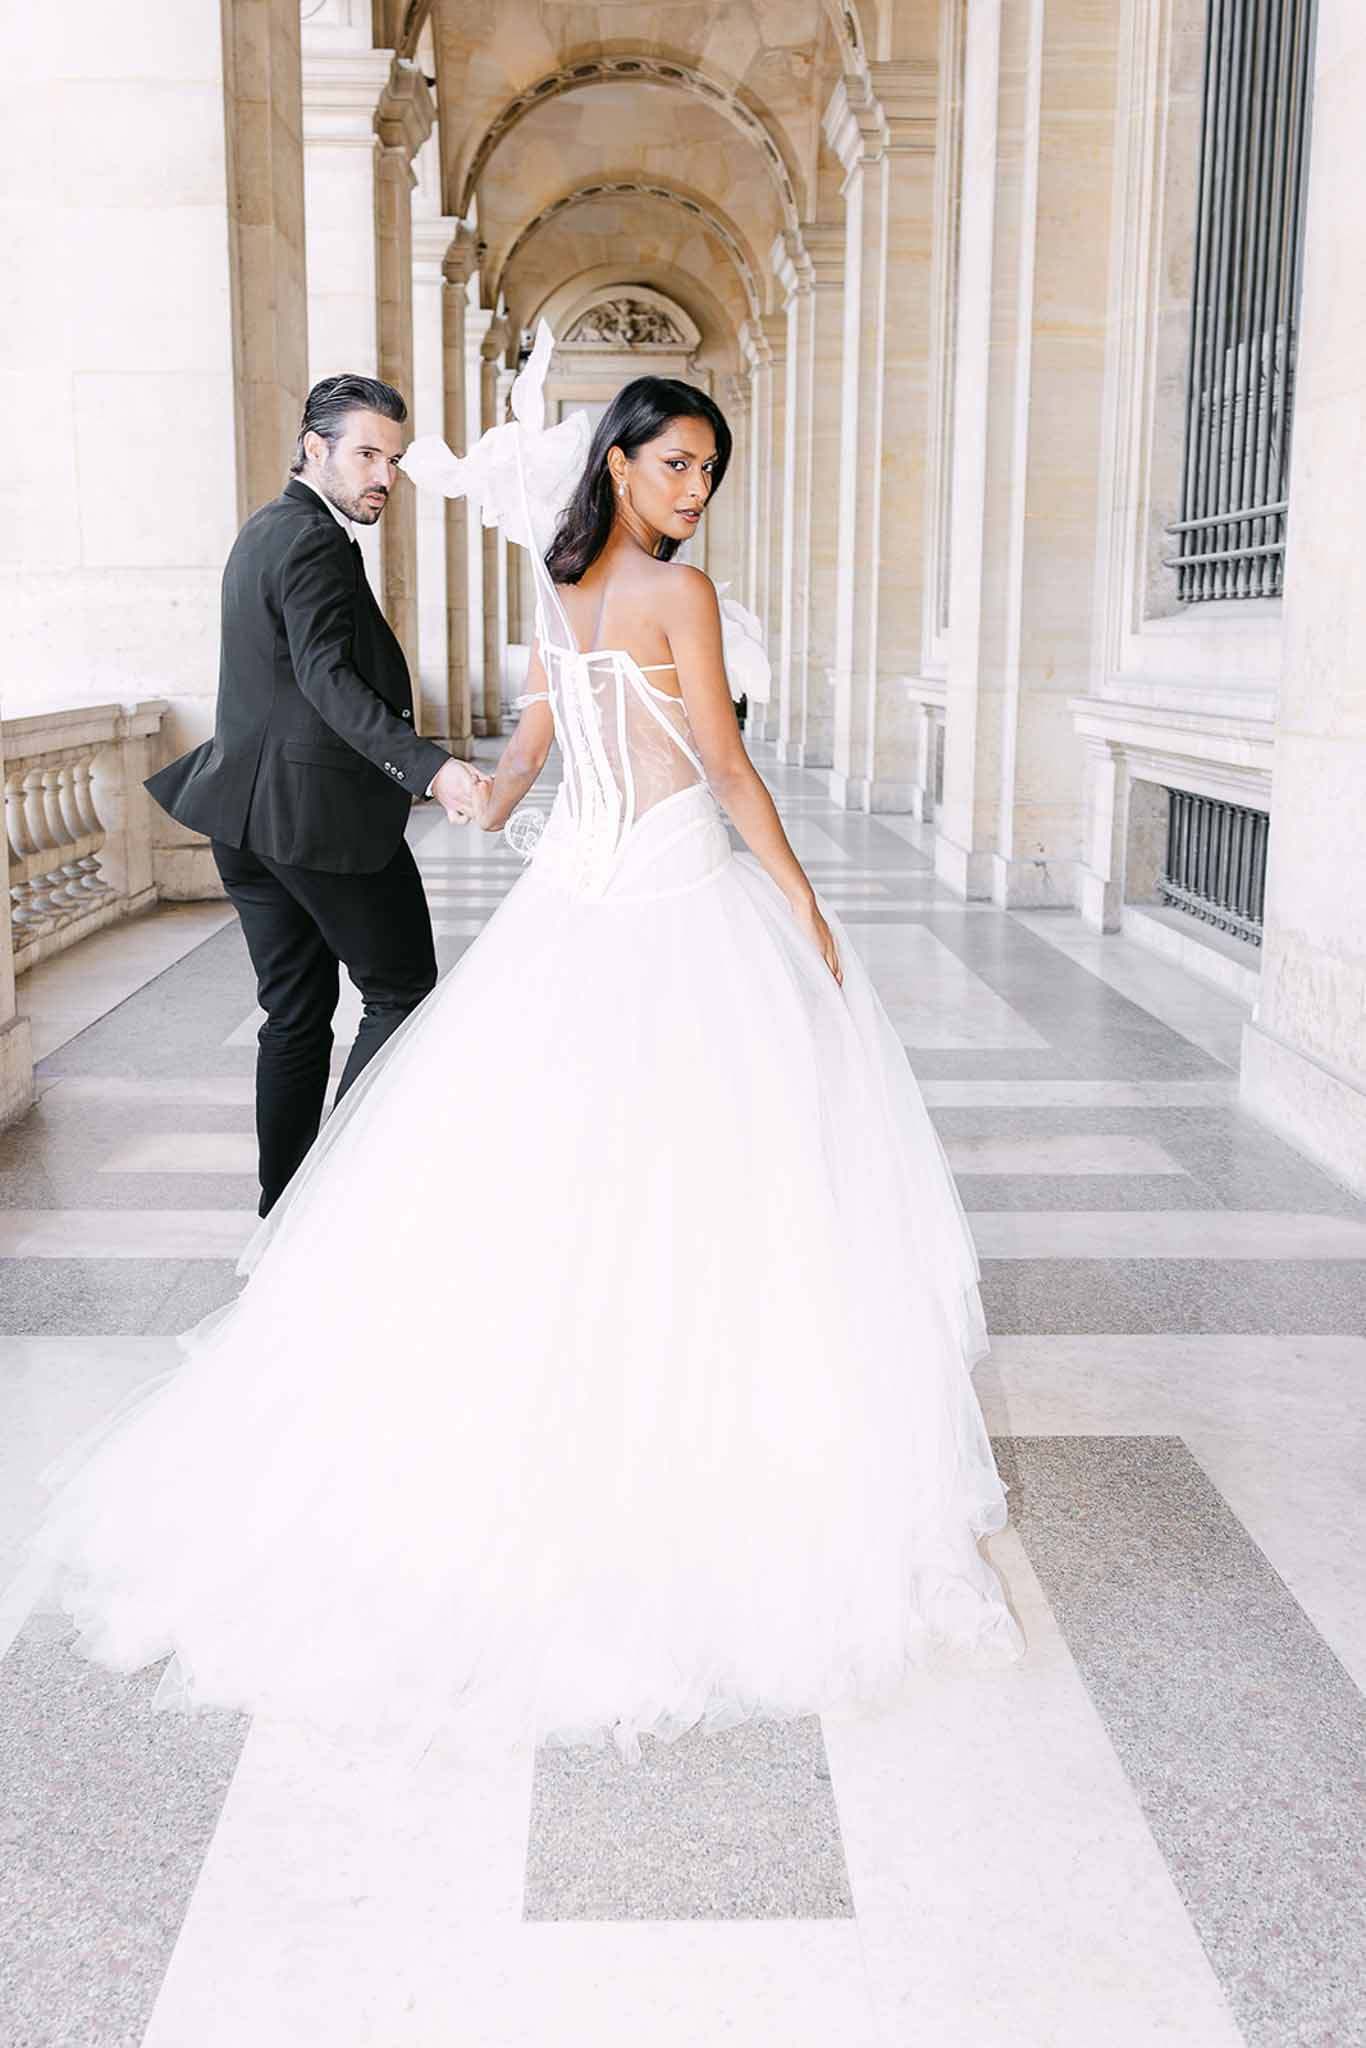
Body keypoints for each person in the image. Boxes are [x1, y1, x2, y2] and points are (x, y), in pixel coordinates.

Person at [9, 327, 1021, 1758]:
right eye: (675, 462)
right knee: (712, 1150)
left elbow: (539, 740)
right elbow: (724, 763)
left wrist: (485, 792)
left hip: (577, 891)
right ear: (619, 462)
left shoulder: (563, 587)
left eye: (710, 469)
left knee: (537, 1137)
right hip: (669, 885)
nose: (694, 489)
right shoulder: (676, 592)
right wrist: (800, 896)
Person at [144, 374, 484, 1216]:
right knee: (399, 991)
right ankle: (330, 1209)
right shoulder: (315, 541)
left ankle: (281, 1212)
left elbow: (289, 680)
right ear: (313, 448)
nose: (384, 476)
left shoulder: (265, 528)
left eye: (392, 460)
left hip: (245, 819)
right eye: (367, 454)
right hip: (317, 822)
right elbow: (328, 679)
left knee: (294, 1015)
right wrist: (430, 768)